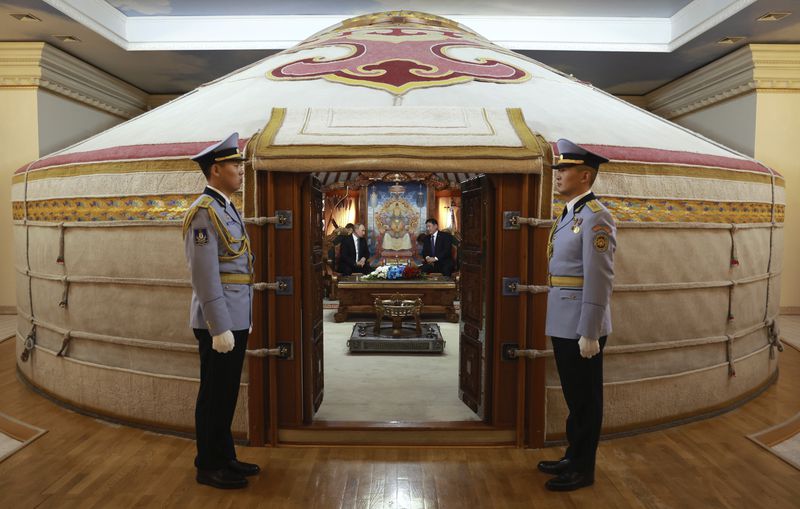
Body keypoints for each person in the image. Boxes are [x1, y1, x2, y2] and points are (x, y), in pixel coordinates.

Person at [183, 132, 261, 489]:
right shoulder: (203, 213)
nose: (240, 171)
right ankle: (208, 464)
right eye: (234, 165)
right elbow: (204, 273)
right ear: (216, 170)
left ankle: (225, 455)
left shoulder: (226, 207)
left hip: (235, 315)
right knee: (214, 392)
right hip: (219, 320)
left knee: (227, 391)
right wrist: (218, 326)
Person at [537, 139, 616, 492]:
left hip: (582, 323)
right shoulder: (570, 213)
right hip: (563, 318)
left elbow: (599, 277)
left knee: (586, 398)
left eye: (564, 170)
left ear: (585, 175)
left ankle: (584, 469)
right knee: (574, 397)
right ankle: (573, 455)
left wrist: (590, 330)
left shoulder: (597, 217)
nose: (558, 175)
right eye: (558, 170)